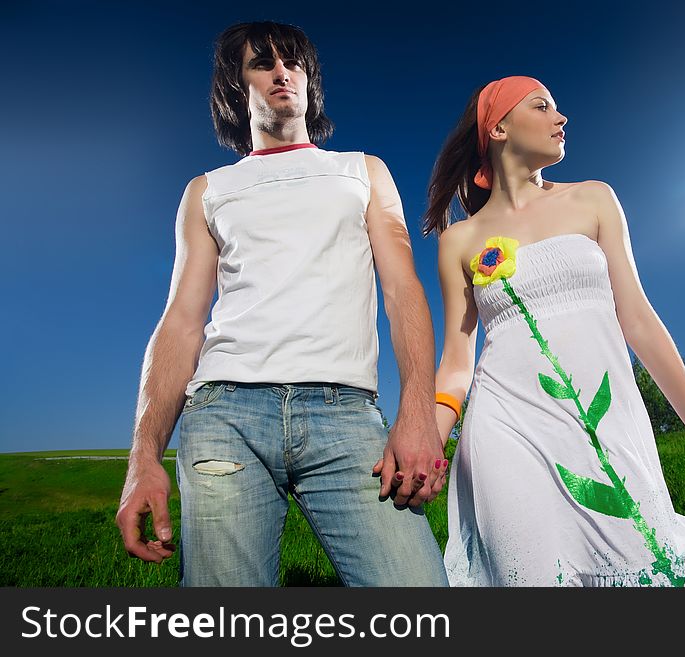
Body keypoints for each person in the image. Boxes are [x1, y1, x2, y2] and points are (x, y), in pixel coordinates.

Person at [115, 21, 449, 587]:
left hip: (345, 415)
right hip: (225, 415)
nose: (281, 72)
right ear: (233, 86)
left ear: (309, 82)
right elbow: (181, 322)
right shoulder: (207, 189)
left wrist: (417, 411)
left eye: (292, 63)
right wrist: (142, 456)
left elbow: (403, 291)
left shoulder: (361, 171)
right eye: (261, 63)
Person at [423, 76, 685, 586]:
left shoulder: (594, 199)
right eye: (542, 107)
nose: (561, 119)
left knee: (635, 567)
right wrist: (427, 442)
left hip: (604, 422)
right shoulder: (459, 240)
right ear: (497, 128)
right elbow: (456, 360)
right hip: (503, 426)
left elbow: (640, 323)